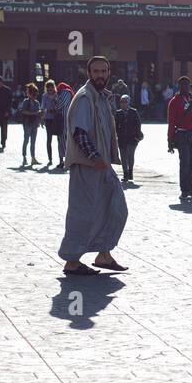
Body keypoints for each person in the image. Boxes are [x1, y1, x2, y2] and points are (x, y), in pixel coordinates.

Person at [58, 56, 130, 275]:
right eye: (96, 71)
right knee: (82, 213)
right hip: (87, 165)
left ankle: (104, 254)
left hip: (102, 165)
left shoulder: (101, 97)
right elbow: (79, 132)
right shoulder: (84, 97)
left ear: (109, 73)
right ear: (89, 73)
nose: (100, 75)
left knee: (115, 208)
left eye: (104, 71)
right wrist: (95, 157)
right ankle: (72, 260)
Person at [114, 93, 143, 182]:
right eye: (121, 102)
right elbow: (115, 126)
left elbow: (138, 124)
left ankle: (130, 171)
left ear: (128, 102)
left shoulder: (133, 112)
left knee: (130, 155)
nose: (123, 104)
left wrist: (136, 136)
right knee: (123, 157)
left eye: (125, 102)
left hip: (132, 138)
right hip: (122, 139)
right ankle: (125, 174)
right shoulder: (118, 113)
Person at [16, 82, 42, 166]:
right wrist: (34, 113)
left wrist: (39, 114)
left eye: (35, 94)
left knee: (33, 142)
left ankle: (33, 158)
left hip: (34, 123)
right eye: (32, 94)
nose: (34, 96)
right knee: (26, 140)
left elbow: (38, 112)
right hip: (27, 123)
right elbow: (23, 111)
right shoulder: (26, 101)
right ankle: (24, 157)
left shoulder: (37, 102)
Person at [41, 79, 62, 167]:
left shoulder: (58, 95)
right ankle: (50, 159)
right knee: (49, 139)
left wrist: (54, 102)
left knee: (59, 140)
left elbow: (59, 107)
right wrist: (43, 117)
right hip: (48, 119)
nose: (50, 90)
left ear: (54, 88)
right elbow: (43, 108)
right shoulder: (45, 96)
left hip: (56, 119)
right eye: (48, 89)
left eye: (51, 88)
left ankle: (61, 159)